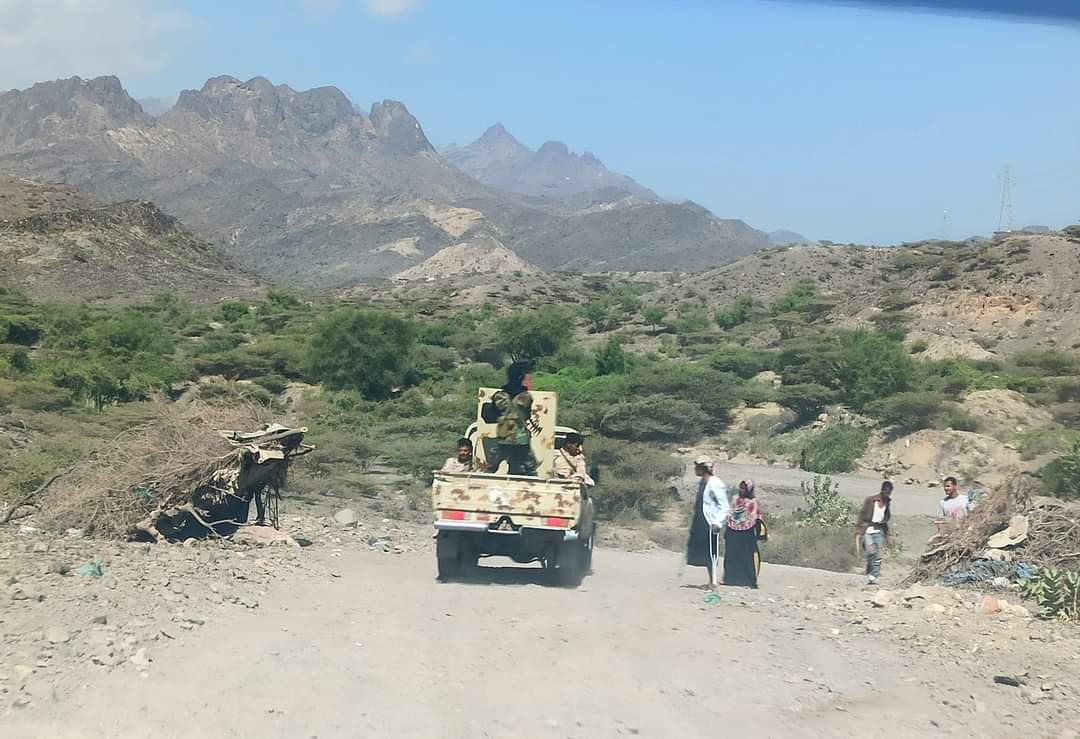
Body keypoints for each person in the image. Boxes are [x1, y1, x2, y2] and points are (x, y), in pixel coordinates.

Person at [485, 361, 538, 476]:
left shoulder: (499, 396)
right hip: (521, 439)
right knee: (529, 468)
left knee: (491, 466)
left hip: (504, 438)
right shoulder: (526, 397)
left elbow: (491, 415)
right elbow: (527, 415)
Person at [685, 456, 730, 586]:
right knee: (704, 551)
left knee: (711, 552)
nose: (696, 469)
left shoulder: (715, 483)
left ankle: (713, 582)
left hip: (711, 522)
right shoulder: (702, 482)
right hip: (701, 520)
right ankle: (710, 580)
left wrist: (718, 522)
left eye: (698, 467)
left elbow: (724, 506)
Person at [723, 479, 761, 588]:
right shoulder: (735, 498)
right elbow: (730, 512)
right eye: (741, 487)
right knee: (731, 555)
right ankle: (730, 579)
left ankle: (747, 581)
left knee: (746, 556)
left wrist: (759, 532)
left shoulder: (753, 501)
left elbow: (756, 516)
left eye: (744, 488)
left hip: (747, 532)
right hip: (732, 530)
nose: (742, 490)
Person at [856, 481, 893, 585]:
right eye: (886, 492)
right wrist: (858, 529)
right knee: (871, 552)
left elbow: (885, 521)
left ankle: (874, 576)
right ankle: (869, 573)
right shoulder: (871, 500)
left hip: (879, 531)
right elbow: (862, 515)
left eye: (889, 492)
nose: (887, 494)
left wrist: (887, 536)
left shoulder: (887, 503)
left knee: (877, 555)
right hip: (868, 530)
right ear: (882, 490)